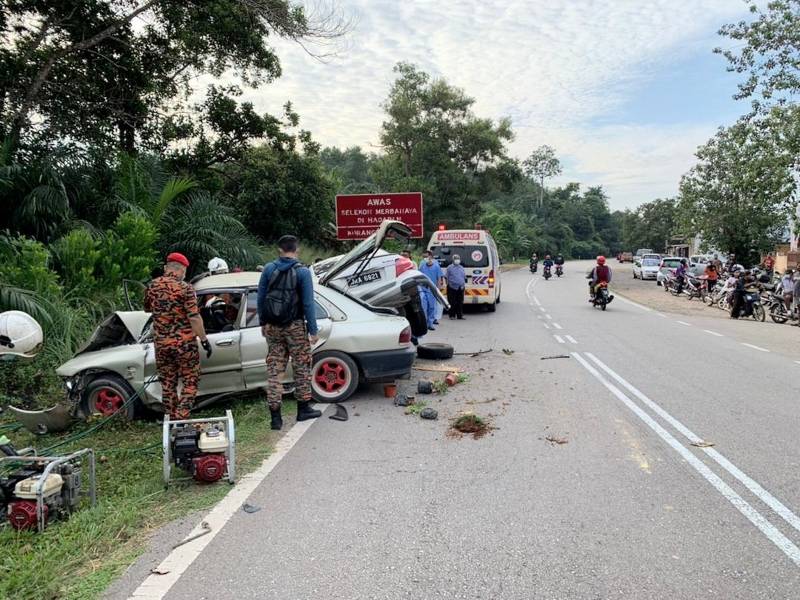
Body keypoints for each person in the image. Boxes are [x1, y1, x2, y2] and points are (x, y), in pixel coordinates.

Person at [257, 235, 321, 431]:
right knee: (301, 366)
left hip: (272, 327)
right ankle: (303, 409)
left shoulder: (268, 269)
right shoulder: (302, 271)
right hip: (294, 326)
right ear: (297, 250)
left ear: (279, 250)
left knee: (274, 369)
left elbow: (260, 297)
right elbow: (308, 303)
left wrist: (262, 322)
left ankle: (275, 418)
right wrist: (312, 330)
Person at [144, 253, 211, 420]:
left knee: (167, 384)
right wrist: (204, 340)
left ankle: (172, 419)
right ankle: (182, 417)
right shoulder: (185, 288)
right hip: (184, 345)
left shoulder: (152, 286)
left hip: (162, 346)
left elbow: (147, 309)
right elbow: (194, 317)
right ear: (182, 270)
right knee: (190, 381)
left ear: (166, 268)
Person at [418, 251, 444, 330]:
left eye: (428, 258)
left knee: (432, 307)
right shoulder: (422, 266)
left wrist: (438, 289)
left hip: (432, 289)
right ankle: (424, 323)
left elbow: (439, 278)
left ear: (431, 258)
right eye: (425, 258)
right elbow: (418, 277)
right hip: (423, 289)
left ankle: (430, 323)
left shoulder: (436, 267)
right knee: (424, 306)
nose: (427, 259)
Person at [445, 254, 466, 320]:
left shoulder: (461, 267)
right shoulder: (449, 268)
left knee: (460, 302)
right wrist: (448, 284)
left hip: (461, 287)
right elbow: (446, 277)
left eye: (458, 259)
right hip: (452, 287)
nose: (457, 260)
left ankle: (460, 315)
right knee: (452, 302)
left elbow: (463, 276)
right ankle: (452, 315)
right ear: (453, 260)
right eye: (456, 259)